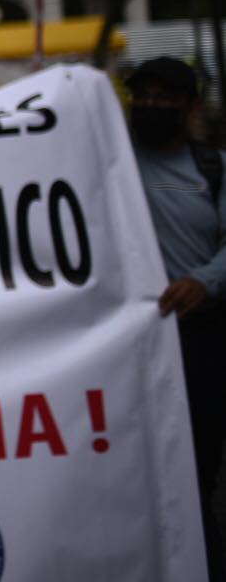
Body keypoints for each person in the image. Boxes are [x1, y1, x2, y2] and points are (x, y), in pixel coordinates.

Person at [126, 56, 226, 580]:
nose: (151, 107)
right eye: (143, 96)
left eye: (165, 98)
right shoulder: (109, 162)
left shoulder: (214, 168)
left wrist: (204, 282)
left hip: (198, 341)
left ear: (191, 106)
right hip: (128, 348)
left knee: (193, 470)